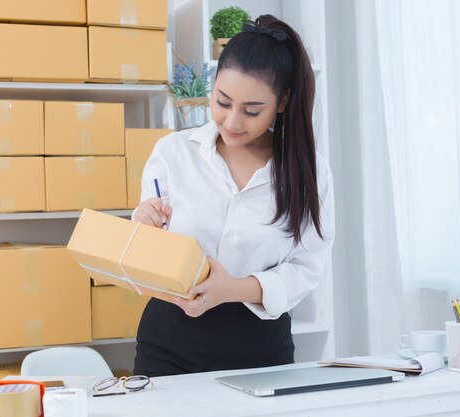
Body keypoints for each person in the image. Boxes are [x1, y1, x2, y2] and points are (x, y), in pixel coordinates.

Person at [132, 15, 335, 377]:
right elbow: (149, 247)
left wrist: (235, 288)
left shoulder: (309, 173)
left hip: (259, 346)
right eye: (222, 102)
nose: (231, 122)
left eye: (252, 111)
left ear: (283, 102)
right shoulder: (173, 152)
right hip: (169, 343)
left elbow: (306, 269)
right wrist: (143, 223)